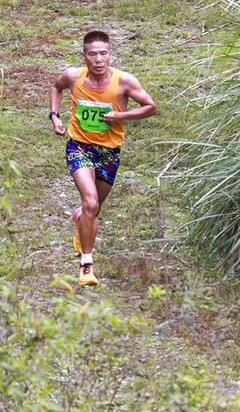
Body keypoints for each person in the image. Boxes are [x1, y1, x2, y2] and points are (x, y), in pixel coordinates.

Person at [49, 29, 158, 287]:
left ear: (111, 55)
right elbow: (55, 87)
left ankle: (80, 218)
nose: (99, 60)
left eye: (104, 54)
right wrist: (54, 116)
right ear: (84, 56)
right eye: (93, 54)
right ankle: (86, 265)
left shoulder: (124, 82)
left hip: (109, 152)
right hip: (79, 146)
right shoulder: (73, 76)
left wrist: (121, 116)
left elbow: (151, 107)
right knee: (90, 202)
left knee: (93, 208)